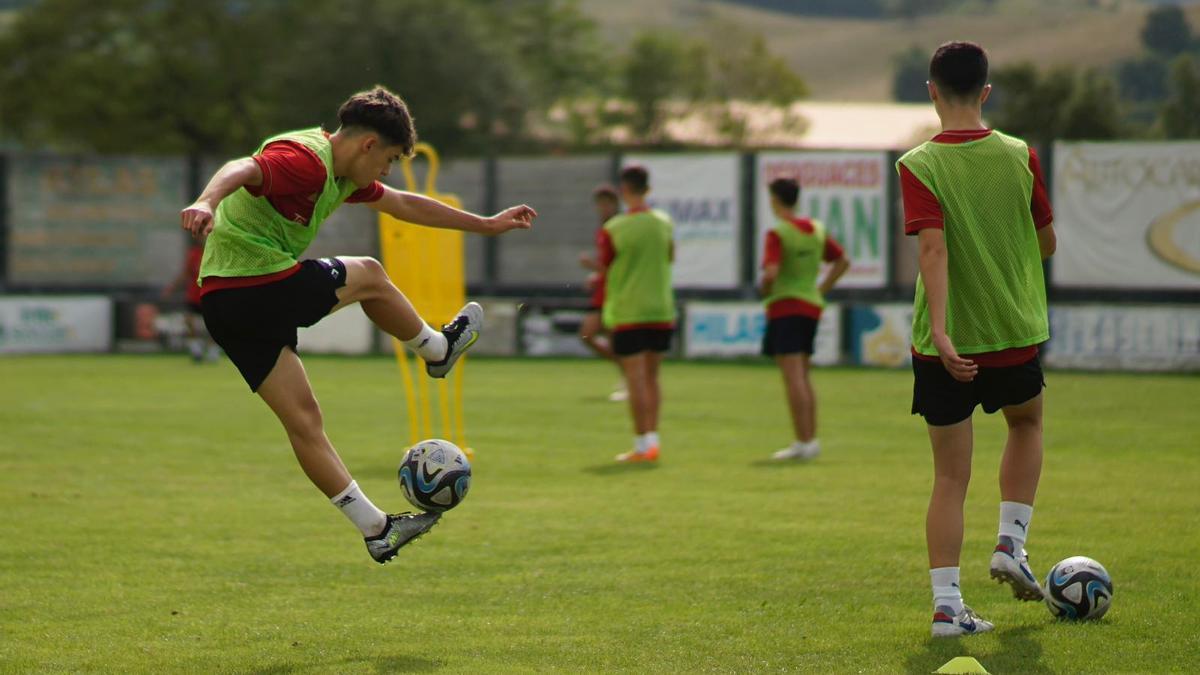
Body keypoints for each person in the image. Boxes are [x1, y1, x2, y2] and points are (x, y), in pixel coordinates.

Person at [179, 86, 536, 564]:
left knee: (306, 423)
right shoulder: (306, 158)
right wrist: (205, 200)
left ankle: (376, 529)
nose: (386, 171)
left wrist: (486, 224)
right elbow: (243, 167)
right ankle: (436, 349)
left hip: (225, 304)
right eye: (388, 159)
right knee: (369, 273)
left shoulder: (346, 177)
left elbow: (405, 205)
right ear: (368, 145)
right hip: (252, 284)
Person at [897, 42, 1057, 637]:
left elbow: (932, 248)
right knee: (1026, 423)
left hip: (945, 344)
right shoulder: (1019, 156)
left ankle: (946, 608)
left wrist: (940, 330)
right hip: (1011, 330)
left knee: (948, 478)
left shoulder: (918, 163)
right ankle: (1011, 544)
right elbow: (1046, 242)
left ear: (932, 90)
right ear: (986, 91)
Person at [759, 177, 849, 461]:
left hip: (786, 307)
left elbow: (771, 274)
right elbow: (842, 261)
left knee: (793, 377)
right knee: (804, 377)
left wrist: (765, 290)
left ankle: (803, 441)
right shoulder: (815, 229)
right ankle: (809, 439)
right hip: (810, 307)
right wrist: (820, 289)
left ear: (775, 200)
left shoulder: (779, 233)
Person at [596, 166, 675, 463]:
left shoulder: (615, 228)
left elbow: (606, 265)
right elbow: (671, 255)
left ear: (623, 189)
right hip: (661, 309)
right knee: (653, 378)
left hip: (629, 310)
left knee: (636, 380)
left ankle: (642, 444)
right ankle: (653, 439)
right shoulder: (663, 222)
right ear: (648, 189)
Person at [577, 184, 626, 402]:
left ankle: (629, 378)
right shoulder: (604, 230)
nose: (603, 208)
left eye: (607, 203)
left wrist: (593, 267)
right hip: (603, 291)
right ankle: (627, 372)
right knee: (587, 334)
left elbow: (619, 267)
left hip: (616, 293)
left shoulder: (620, 228)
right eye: (600, 204)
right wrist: (596, 278)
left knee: (613, 339)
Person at [160, 240, 218, 362]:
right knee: (189, 321)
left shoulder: (216, 251)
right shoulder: (194, 254)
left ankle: (213, 350)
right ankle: (196, 348)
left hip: (210, 293)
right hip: (194, 295)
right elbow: (185, 273)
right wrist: (172, 288)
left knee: (214, 324)